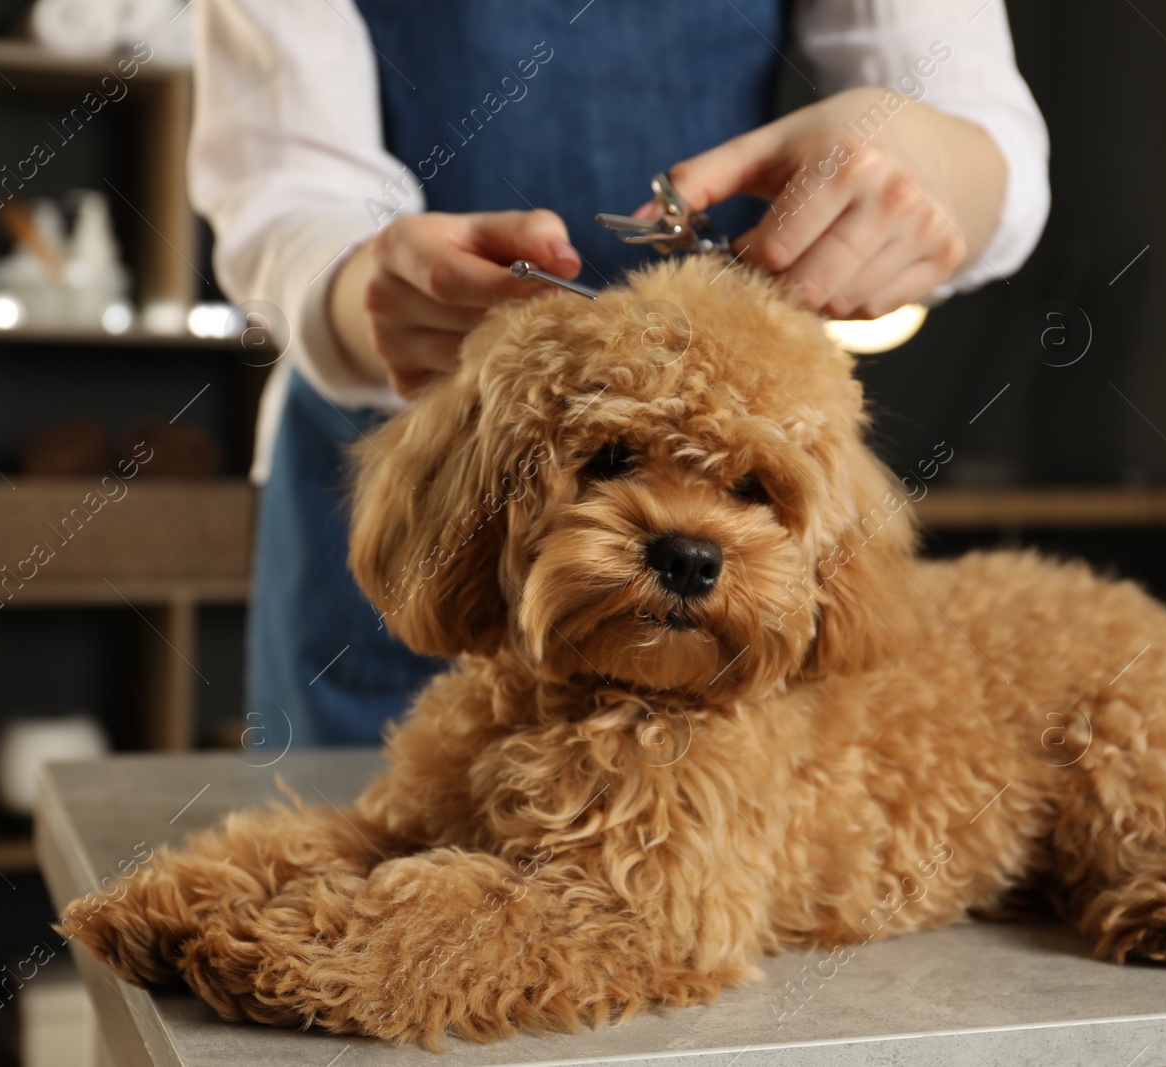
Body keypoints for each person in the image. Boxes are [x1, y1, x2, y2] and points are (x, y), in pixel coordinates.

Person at [190, 1, 1050, 745]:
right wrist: (363, 288)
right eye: (611, 464)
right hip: (397, 434)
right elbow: (280, 184)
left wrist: (927, 158)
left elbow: (988, 135)